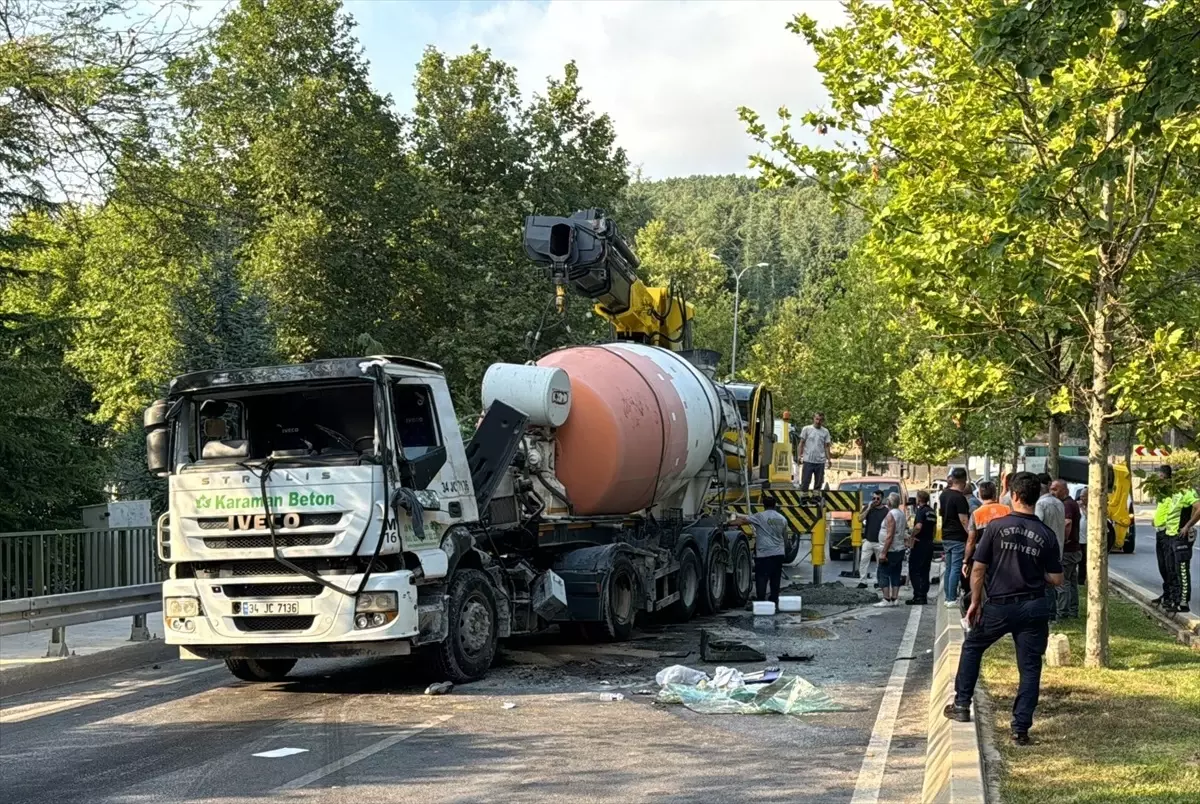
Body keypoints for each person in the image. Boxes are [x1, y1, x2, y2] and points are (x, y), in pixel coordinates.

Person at [944, 471, 1064, 746]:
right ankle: (1020, 729)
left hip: (999, 606)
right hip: (1034, 607)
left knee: (973, 647)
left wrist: (975, 602)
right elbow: (1057, 579)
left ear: (1015, 496)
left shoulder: (996, 528)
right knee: (1030, 668)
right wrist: (1036, 572)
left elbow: (978, 569)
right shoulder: (1045, 534)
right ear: (1035, 498)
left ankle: (961, 705)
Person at [1151, 465, 1200, 613]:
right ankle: (1172, 597)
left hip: (1180, 536)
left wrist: (1188, 526)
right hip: (1169, 535)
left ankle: (1183, 602)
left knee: (1182, 570)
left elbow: (1198, 507)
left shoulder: (1187, 491)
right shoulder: (1170, 492)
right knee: (1170, 568)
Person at [961, 481, 1010, 611]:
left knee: (983, 584)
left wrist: (966, 560)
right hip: (1005, 553)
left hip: (984, 555)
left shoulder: (977, 514)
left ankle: (986, 609)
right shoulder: (1006, 510)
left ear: (980, 495)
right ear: (995, 493)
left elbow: (971, 540)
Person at [732, 496, 789, 606]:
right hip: (778, 553)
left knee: (762, 577)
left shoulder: (760, 516)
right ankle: (774, 600)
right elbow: (785, 537)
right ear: (775, 505)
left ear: (764, 505)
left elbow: (743, 521)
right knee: (775, 578)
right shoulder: (782, 518)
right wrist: (783, 550)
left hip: (764, 554)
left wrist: (728, 523)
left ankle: (761, 600)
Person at [1034, 472, 1066, 622]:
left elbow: (1037, 524)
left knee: (1045, 582)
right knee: (1053, 582)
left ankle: (1049, 614)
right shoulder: (1059, 503)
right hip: (1058, 546)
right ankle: (1053, 613)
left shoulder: (1041, 504)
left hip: (1044, 548)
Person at [940, 467, 972, 608]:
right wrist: (972, 534)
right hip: (958, 537)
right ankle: (952, 598)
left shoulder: (944, 495)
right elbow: (964, 520)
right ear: (964, 481)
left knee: (948, 568)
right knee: (956, 567)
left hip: (946, 535)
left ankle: (948, 596)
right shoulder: (960, 498)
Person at [1053, 480, 1082, 619]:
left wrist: (1063, 541)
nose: (1053, 492)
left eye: (1055, 489)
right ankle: (1073, 610)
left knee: (1063, 581)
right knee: (1071, 581)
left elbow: (1067, 523)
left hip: (1068, 550)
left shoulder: (1067, 505)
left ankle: (1063, 612)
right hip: (1074, 549)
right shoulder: (1072, 503)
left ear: (1064, 490)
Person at [875, 493, 908, 607]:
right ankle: (895, 598)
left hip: (891, 549)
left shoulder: (890, 515)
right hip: (900, 548)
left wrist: (883, 552)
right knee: (895, 573)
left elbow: (890, 535)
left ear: (889, 502)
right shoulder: (901, 514)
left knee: (882, 573)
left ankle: (886, 598)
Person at [907, 490, 937, 605]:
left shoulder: (921, 511)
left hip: (919, 543)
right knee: (925, 570)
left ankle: (918, 596)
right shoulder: (931, 511)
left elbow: (918, 526)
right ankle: (923, 595)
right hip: (929, 543)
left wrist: (912, 535)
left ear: (919, 499)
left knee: (915, 569)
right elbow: (934, 529)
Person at [857, 490, 888, 585]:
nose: (875, 500)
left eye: (878, 498)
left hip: (880, 542)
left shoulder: (886, 511)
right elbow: (860, 519)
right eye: (873, 498)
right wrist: (868, 508)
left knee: (880, 564)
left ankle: (878, 581)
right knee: (863, 561)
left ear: (882, 499)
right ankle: (862, 581)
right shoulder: (869, 508)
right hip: (868, 540)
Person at [797, 412, 832, 491]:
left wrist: (829, 459)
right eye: (817, 419)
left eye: (820, 420)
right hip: (808, 460)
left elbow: (826, 447)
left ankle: (816, 498)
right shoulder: (806, 429)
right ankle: (804, 498)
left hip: (820, 462)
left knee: (818, 482)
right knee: (805, 481)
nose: (818, 421)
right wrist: (799, 456)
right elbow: (801, 443)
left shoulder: (825, 432)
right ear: (813, 419)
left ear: (823, 421)